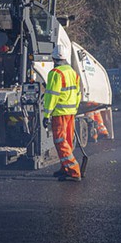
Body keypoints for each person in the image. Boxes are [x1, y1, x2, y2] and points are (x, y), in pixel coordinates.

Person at [43, 45, 81, 182]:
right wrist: (75, 109)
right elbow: (78, 94)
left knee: (60, 141)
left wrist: (46, 114)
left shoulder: (55, 73)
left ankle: (74, 170)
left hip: (59, 113)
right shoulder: (73, 72)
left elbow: (51, 96)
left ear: (53, 58)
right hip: (70, 112)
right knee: (67, 141)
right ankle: (65, 168)